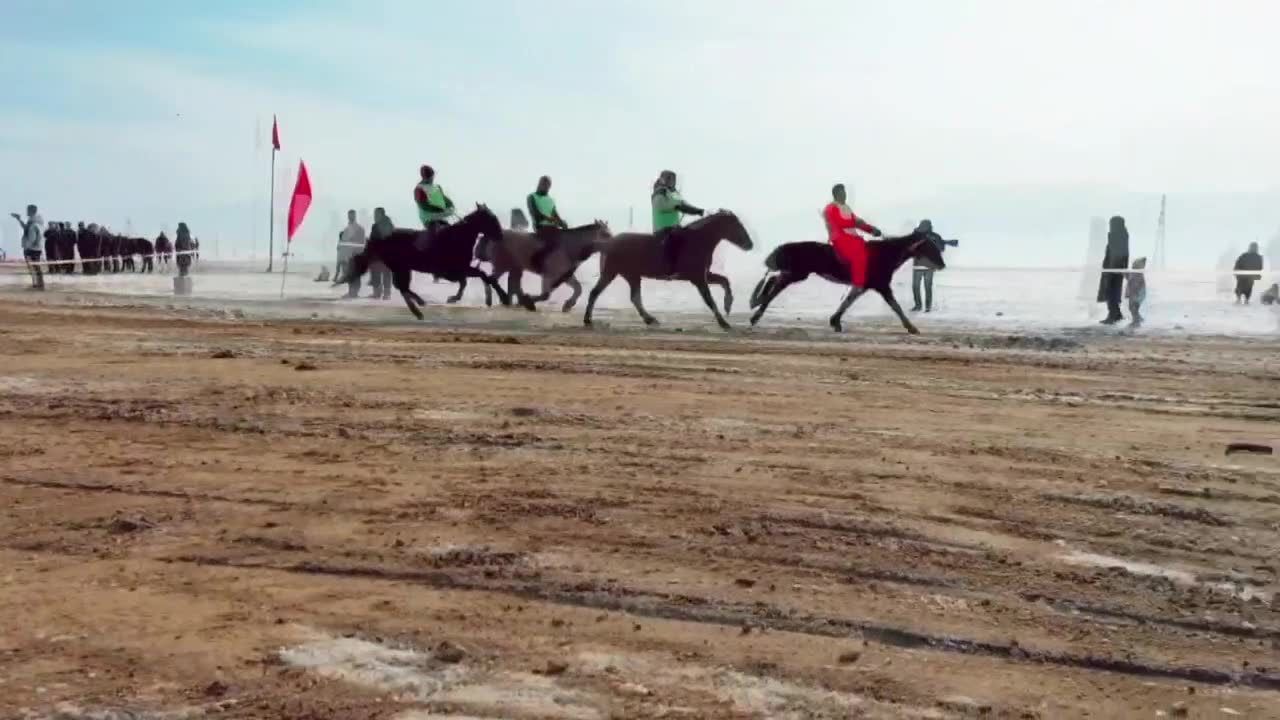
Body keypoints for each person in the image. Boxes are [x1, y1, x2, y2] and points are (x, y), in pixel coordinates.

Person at [823, 184, 882, 290]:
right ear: (835, 195)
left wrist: (872, 230)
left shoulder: (846, 207)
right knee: (859, 255)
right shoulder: (831, 208)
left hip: (851, 237)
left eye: (844, 193)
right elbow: (840, 223)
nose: (844, 195)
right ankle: (858, 284)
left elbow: (858, 223)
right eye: (841, 193)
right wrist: (855, 222)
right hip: (840, 238)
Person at [652, 170, 704, 276]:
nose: (672, 182)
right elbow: (661, 205)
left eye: (674, 180)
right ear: (664, 179)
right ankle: (667, 269)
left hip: (674, 226)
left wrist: (699, 211)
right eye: (670, 179)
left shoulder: (673, 192)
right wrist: (677, 205)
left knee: (690, 236)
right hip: (662, 227)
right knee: (673, 241)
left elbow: (683, 204)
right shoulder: (659, 192)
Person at [910, 219, 959, 312]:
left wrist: (938, 243)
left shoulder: (935, 236)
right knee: (916, 287)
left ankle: (927, 307)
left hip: (929, 266)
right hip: (918, 265)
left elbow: (941, 249)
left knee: (927, 287)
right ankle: (918, 306)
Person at [351, 207, 395, 300]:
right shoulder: (376, 226)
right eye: (374, 214)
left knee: (385, 273)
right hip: (378, 254)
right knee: (376, 272)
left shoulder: (387, 225)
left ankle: (386, 293)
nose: (374, 216)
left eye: (376, 214)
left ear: (382, 214)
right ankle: (378, 293)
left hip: (386, 253)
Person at [527, 175, 568, 269]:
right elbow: (536, 214)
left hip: (552, 227)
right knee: (554, 243)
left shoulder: (551, 200)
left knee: (569, 239)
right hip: (540, 227)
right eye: (543, 184)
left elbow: (555, 215)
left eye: (548, 185)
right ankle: (536, 260)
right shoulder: (532, 197)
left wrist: (562, 223)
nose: (545, 186)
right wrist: (552, 220)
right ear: (539, 184)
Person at [1097, 215, 1129, 324]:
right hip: (1114, 269)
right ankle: (1116, 314)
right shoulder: (1121, 235)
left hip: (1113, 270)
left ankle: (1113, 315)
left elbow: (1117, 253)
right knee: (1112, 292)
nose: (1110, 226)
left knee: (1111, 292)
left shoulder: (1117, 236)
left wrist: (1112, 269)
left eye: (1111, 224)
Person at [414, 165, 454, 249]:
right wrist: (440, 209)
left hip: (442, 218)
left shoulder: (436, 187)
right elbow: (424, 206)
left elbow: (444, 199)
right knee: (436, 237)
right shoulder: (419, 189)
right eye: (429, 177)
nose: (431, 179)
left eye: (431, 176)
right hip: (430, 219)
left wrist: (450, 205)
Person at [11, 204, 45, 289]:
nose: (26, 211)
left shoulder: (33, 223)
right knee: (36, 266)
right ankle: (39, 283)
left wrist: (27, 246)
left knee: (33, 267)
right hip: (36, 248)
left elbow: (32, 236)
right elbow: (26, 228)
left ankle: (37, 284)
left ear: (31, 211)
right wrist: (19, 219)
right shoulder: (36, 221)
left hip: (31, 248)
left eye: (28, 210)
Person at [336, 209, 366, 283]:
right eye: (349, 215)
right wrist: (339, 246)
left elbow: (362, 242)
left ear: (355, 216)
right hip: (347, 254)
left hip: (355, 253)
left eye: (352, 215)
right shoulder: (346, 228)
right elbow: (343, 239)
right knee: (347, 269)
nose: (350, 217)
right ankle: (345, 279)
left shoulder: (360, 228)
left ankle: (352, 286)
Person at [1126, 256, 1147, 328]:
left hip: (1137, 294)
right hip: (1135, 293)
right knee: (1132, 308)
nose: (1132, 265)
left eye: (1134, 264)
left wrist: (1134, 294)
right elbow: (1128, 277)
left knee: (1133, 308)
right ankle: (1139, 320)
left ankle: (1136, 322)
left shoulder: (1138, 274)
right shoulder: (1133, 273)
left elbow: (1135, 284)